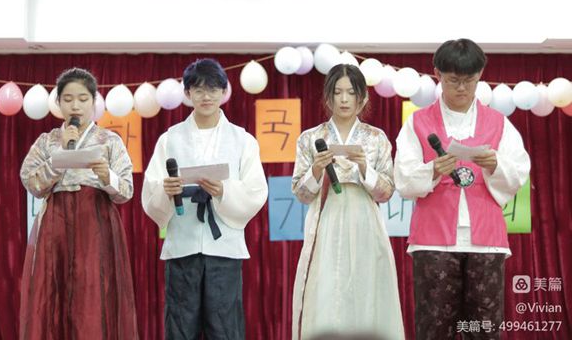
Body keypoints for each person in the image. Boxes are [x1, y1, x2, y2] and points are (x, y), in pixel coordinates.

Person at [394, 39, 531, 339]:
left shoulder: (499, 123)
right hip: (433, 240)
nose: (461, 88)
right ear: (437, 74)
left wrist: (495, 164)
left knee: (485, 329)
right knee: (433, 328)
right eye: (453, 80)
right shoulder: (417, 123)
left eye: (469, 80)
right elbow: (403, 179)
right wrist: (433, 170)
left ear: (480, 75)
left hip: (487, 241)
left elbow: (519, 171)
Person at [141, 58, 268, 339]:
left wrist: (224, 191)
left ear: (224, 91)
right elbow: (151, 189)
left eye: (212, 89)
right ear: (187, 94)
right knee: (180, 328)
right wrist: (166, 190)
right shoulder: (170, 138)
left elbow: (256, 190)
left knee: (225, 329)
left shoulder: (243, 140)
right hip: (182, 246)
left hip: (225, 247)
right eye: (198, 90)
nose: (206, 96)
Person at [19, 68, 138, 339]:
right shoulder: (47, 141)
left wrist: (107, 177)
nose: (75, 106)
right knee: (53, 290)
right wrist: (59, 156)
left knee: (93, 291)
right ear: (58, 102)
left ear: (93, 102)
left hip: (95, 222)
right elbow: (31, 182)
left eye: (83, 99)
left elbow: (126, 191)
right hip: (56, 223)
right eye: (68, 99)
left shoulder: (109, 140)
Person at [291, 64, 405, 340]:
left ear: (362, 98)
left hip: (365, 223)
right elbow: (301, 194)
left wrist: (365, 168)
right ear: (328, 96)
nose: (344, 99)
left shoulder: (376, 138)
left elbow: (387, 192)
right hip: (325, 221)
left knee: (368, 291)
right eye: (338, 92)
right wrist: (316, 169)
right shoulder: (310, 138)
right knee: (325, 290)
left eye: (351, 93)